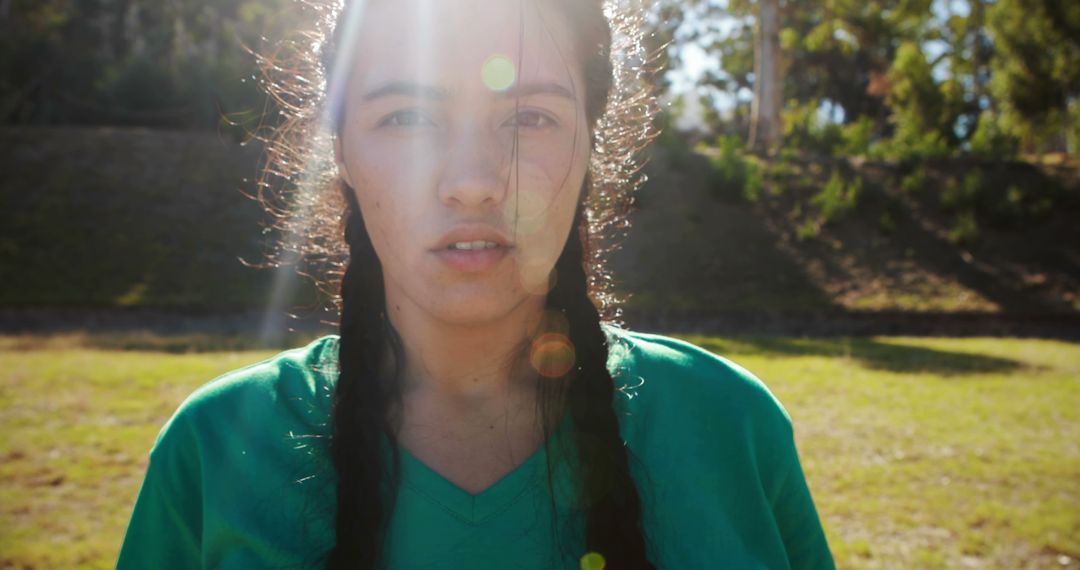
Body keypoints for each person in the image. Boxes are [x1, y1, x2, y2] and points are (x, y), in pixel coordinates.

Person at [117, 0, 835, 568]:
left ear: (592, 144)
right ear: (341, 154)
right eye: (405, 116)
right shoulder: (215, 450)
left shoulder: (733, 427)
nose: (472, 183)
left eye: (530, 118)